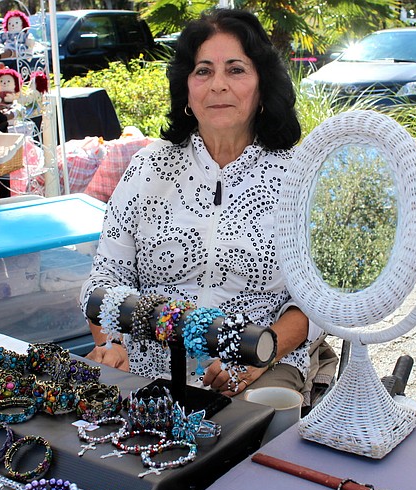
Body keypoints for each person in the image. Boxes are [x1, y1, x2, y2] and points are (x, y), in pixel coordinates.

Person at [80, 8, 335, 404]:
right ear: (186, 89)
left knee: (244, 435)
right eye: (203, 71)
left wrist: (259, 354)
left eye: (235, 70)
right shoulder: (149, 167)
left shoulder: (297, 177)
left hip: (257, 365)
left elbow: (315, 302)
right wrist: (114, 345)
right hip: (144, 363)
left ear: (262, 86)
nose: (218, 85)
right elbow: (106, 278)